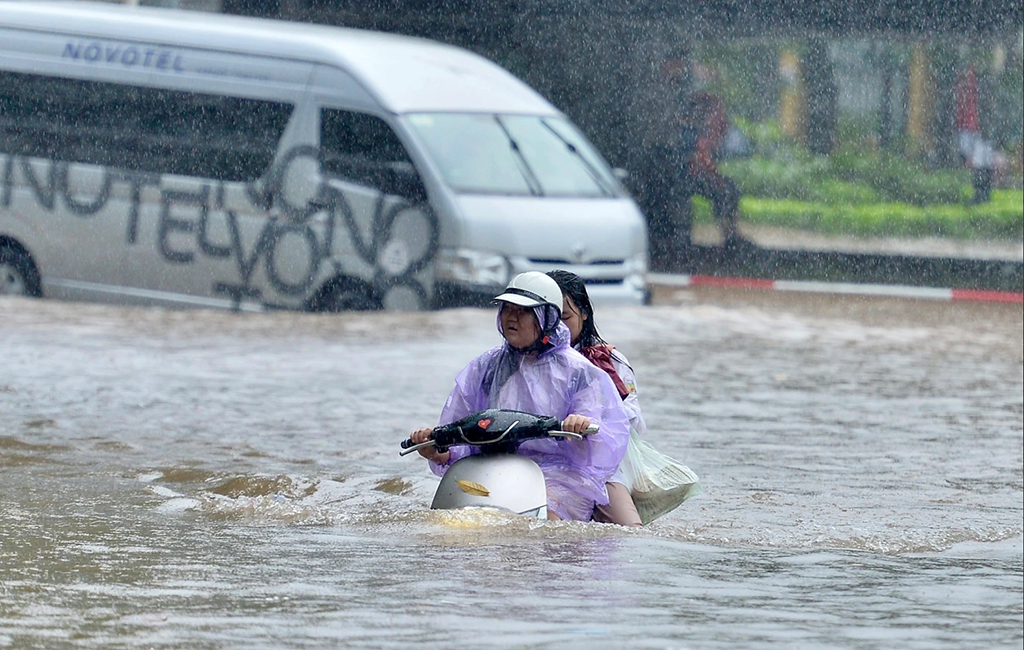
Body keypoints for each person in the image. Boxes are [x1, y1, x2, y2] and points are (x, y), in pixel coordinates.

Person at [408, 271, 630, 522]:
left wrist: (579, 425)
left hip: (560, 475)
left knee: (546, 520)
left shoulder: (580, 372)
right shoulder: (485, 367)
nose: (512, 317)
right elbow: (458, 429)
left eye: (523, 311)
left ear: (547, 317)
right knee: (448, 520)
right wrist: (436, 449)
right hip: (490, 471)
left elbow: (602, 440)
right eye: (507, 308)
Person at [547, 269, 644, 527]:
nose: (558, 327)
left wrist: (593, 422)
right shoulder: (522, 362)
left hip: (600, 466)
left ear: (584, 313)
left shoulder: (610, 361)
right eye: (549, 318)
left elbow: (634, 421)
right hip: (541, 462)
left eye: (565, 317)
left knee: (630, 531)